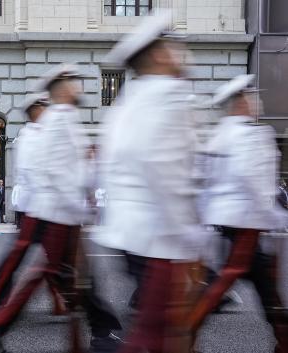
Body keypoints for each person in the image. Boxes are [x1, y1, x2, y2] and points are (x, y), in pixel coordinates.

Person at [0, 64, 122, 353]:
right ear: (62, 87)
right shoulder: (57, 121)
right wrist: (80, 206)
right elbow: (57, 172)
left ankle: (99, 332)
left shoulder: (62, 119)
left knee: (70, 276)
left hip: (60, 212)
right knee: (53, 272)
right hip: (59, 213)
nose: (79, 87)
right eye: (74, 82)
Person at [95, 11, 206, 352]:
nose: (180, 54)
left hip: (128, 232)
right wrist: (188, 236)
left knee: (155, 331)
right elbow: (165, 171)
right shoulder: (169, 96)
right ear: (159, 54)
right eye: (173, 47)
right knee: (160, 336)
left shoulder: (129, 101)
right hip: (159, 234)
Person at [187, 74, 288, 352]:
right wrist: (274, 215)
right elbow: (254, 180)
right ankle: (186, 331)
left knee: (261, 284)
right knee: (228, 279)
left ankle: (283, 337)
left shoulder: (220, 134)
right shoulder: (253, 133)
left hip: (225, 221)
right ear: (241, 101)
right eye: (252, 96)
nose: (257, 101)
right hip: (248, 221)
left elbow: (203, 180)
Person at [0, 94, 67, 316]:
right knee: (26, 255)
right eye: (45, 107)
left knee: (53, 256)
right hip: (36, 207)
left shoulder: (41, 135)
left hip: (44, 207)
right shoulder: (29, 137)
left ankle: (59, 299)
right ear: (36, 110)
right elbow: (31, 173)